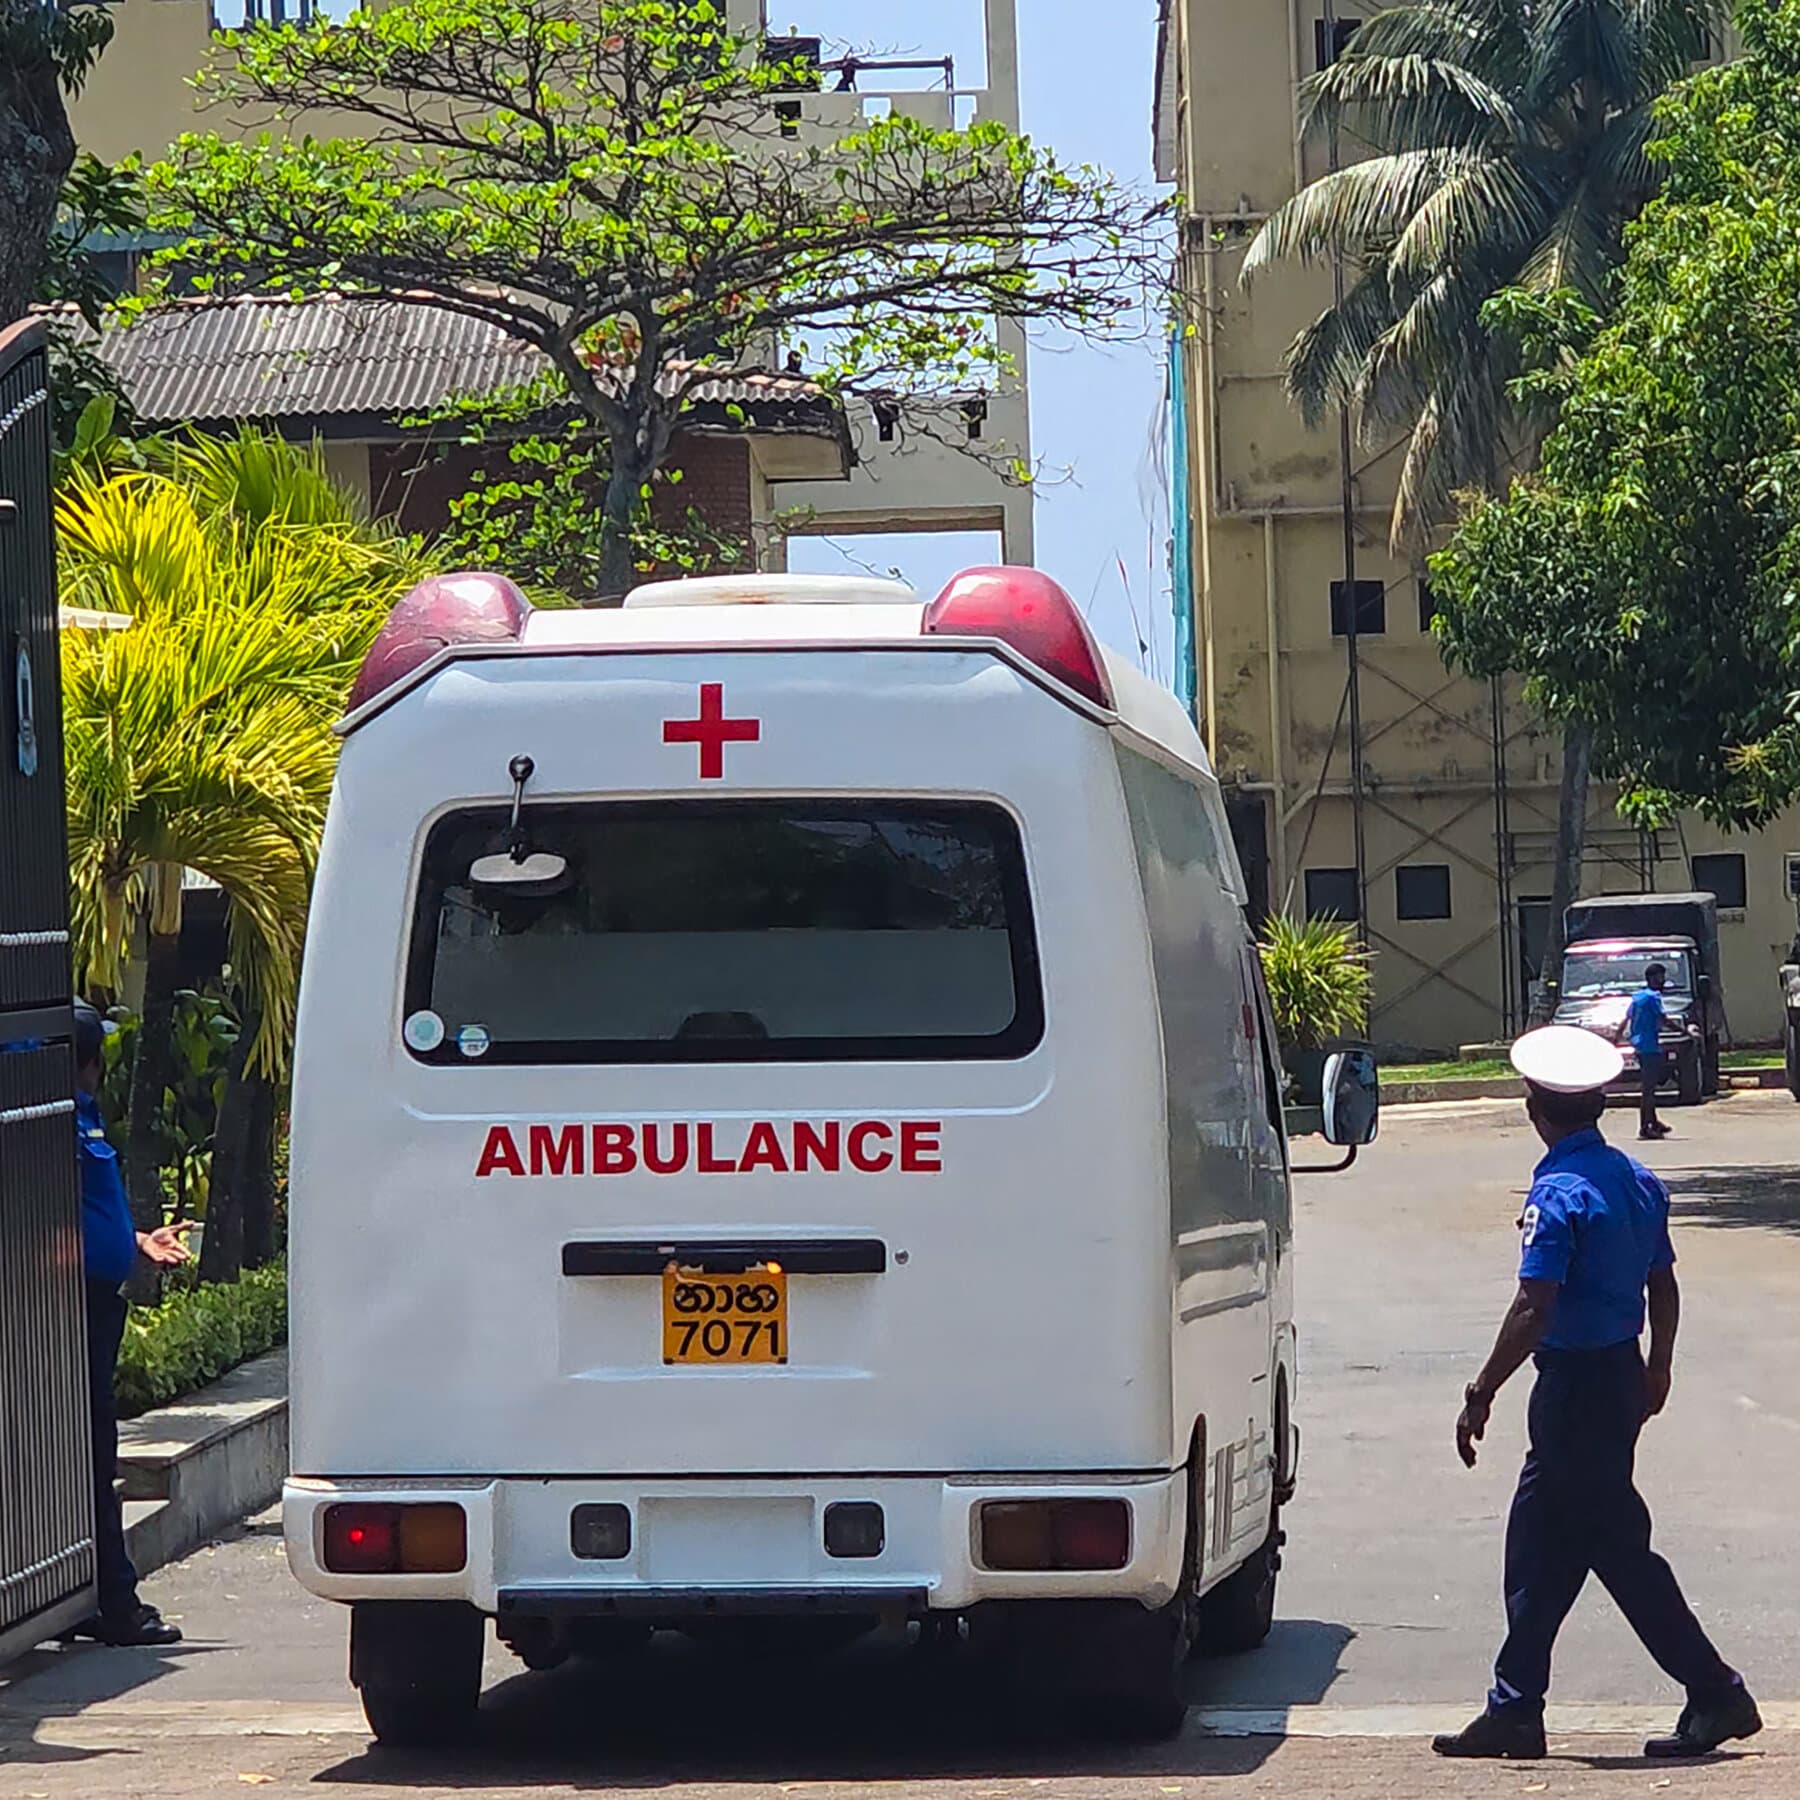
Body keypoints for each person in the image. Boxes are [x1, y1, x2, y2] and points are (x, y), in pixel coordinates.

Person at [1432, 1025, 1759, 1763]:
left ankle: (1715, 1691)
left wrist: (1481, 1389)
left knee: (1606, 1548)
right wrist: (1659, 1365)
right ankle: (1516, 1705)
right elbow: (1663, 1283)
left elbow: (1534, 1306)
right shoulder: (1638, 1181)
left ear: (1532, 1107)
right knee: (1544, 1544)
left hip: (1575, 1389)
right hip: (1619, 1376)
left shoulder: (1559, 1191)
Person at [67, 999, 193, 1647]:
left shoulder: (84, 1118)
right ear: (90, 1061)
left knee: (87, 1452)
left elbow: (89, 1211)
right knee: (88, 1455)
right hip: (66, 1312)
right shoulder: (51, 1127)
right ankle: (114, 1601)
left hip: (96, 1303)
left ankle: (85, 1594)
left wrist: (136, 1239)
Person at [1628, 963, 1672, 1141]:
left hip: (1639, 1045)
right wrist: (1687, 1033)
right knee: (1649, 1089)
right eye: (1660, 977)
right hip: (1649, 1047)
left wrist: (1616, 1038)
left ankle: (1653, 1121)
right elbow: (1663, 1019)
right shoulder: (1653, 997)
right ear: (1653, 978)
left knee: (1650, 1087)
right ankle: (1645, 1127)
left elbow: (1628, 1018)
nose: (1662, 981)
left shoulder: (1638, 997)